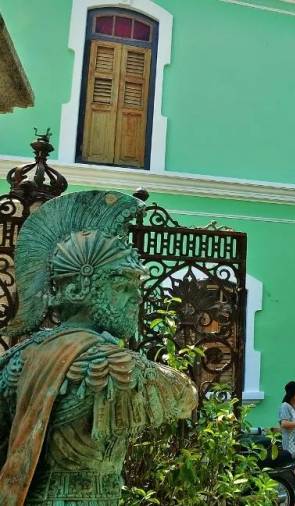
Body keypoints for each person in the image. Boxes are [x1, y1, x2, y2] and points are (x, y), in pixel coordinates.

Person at [0, 191, 198, 504]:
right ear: (80, 290)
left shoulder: (16, 358)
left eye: (136, 286)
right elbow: (184, 397)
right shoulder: (113, 364)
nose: (136, 297)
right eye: (122, 286)